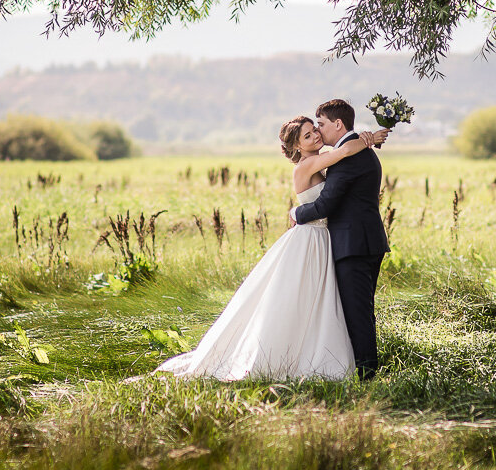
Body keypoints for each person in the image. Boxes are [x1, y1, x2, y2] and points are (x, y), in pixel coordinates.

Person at [156, 115, 387, 381]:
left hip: (325, 239)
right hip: (310, 239)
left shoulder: (323, 157)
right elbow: (346, 149)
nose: (315, 136)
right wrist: (371, 137)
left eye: (314, 130)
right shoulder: (308, 164)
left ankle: (318, 349)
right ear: (298, 146)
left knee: (320, 299)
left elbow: (343, 154)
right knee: (299, 298)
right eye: (308, 136)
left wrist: (364, 138)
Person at [290, 99, 388, 380]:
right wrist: (368, 138)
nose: (318, 132)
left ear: (338, 124)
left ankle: (367, 377)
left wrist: (296, 212)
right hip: (364, 241)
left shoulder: (349, 158)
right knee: (359, 311)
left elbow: (324, 206)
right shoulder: (354, 152)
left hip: (353, 245)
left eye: (319, 125)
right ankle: (358, 369)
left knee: (358, 314)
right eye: (311, 131)